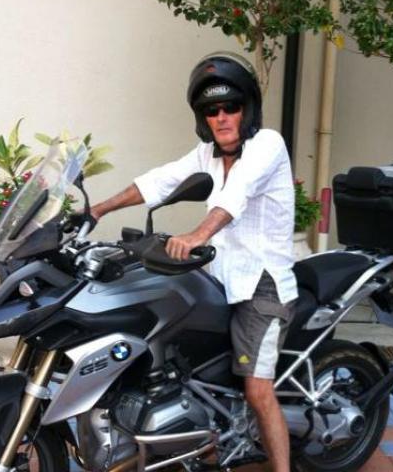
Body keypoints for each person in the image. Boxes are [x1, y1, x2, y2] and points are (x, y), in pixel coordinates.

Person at [89, 51, 298, 472]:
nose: (221, 117)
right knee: (184, 364)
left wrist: (198, 235)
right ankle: (201, 444)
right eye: (211, 110)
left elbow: (237, 193)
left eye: (230, 107)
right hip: (220, 280)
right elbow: (160, 180)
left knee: (257, 390)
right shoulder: (207, 155)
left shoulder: (267, 144)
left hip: (262, 286)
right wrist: (97, 210)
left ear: (247, 109)